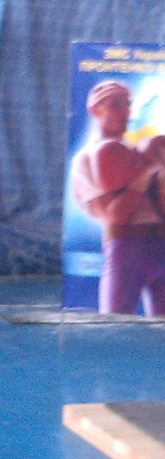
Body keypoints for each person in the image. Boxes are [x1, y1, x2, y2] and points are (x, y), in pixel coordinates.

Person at [70, 79, 165, 315]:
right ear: (95, 110)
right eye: (116, 104)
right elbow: (116, 216)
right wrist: (146, 169)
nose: (125, 111)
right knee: (117, 325)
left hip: (160, 245)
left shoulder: (141, 150)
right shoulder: (87, 159)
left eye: (128, 104)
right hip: (127, 248)